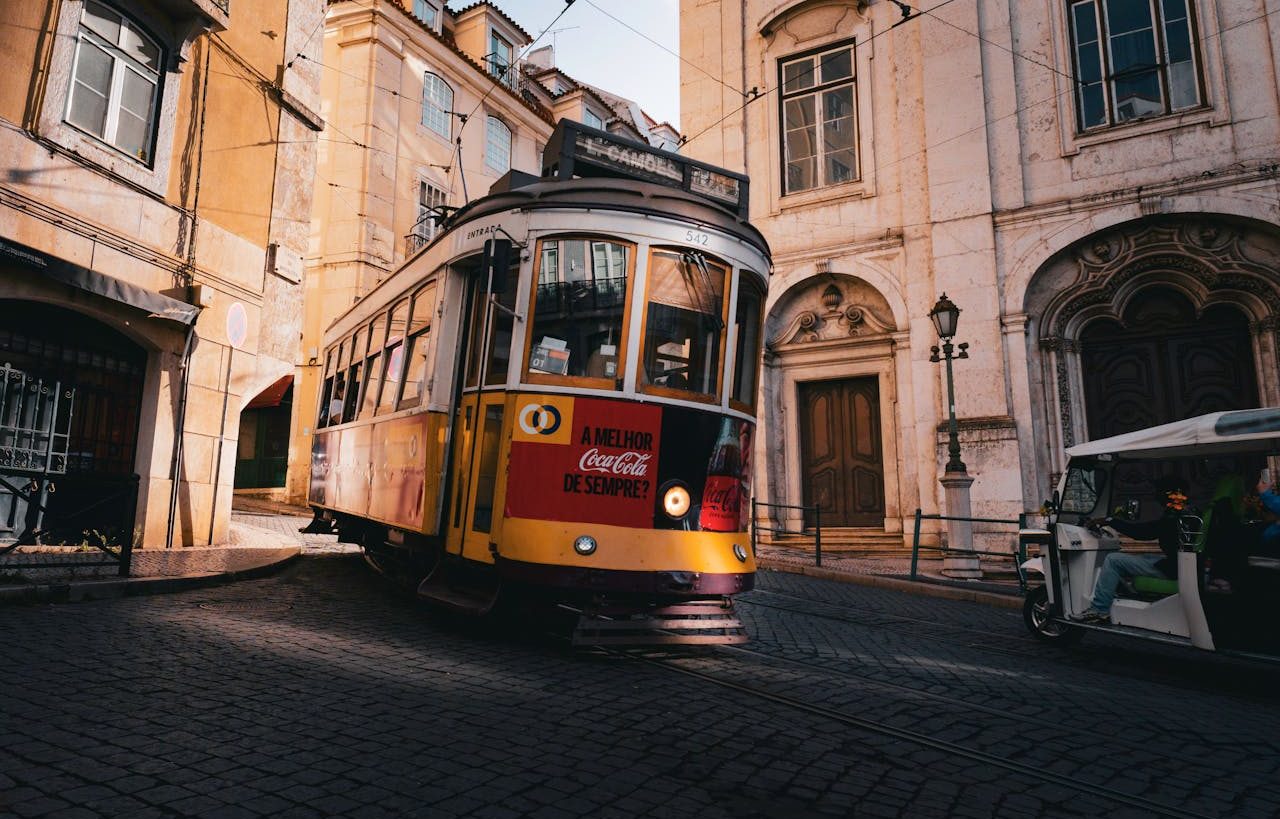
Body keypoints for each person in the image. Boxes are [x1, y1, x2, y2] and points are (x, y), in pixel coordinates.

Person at [1076, 475, 1188, 623]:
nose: (1155, 495)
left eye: (1158, 491)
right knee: (1144, 557)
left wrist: (1111, 521)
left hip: (1174, 567)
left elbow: (1144, 533)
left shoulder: (1174, 515)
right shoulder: (1185, 512)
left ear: (1168, 494)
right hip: (1178, 563)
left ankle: (1099, 609)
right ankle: (1126, 592)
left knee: (1113, 560)